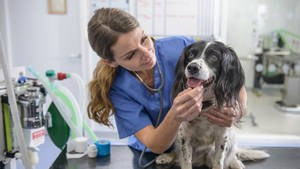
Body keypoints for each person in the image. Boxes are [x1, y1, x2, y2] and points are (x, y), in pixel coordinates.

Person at [87, 8, 247, 154]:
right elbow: (155, 145)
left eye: (144, 39)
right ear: (110, 62)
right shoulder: (118, 90)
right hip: (152, 154)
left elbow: (231, 75)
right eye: (130, 55)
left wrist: (239, 109)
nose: (147, 54)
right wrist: (175, 116)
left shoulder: (181, 47)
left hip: (196, 148)